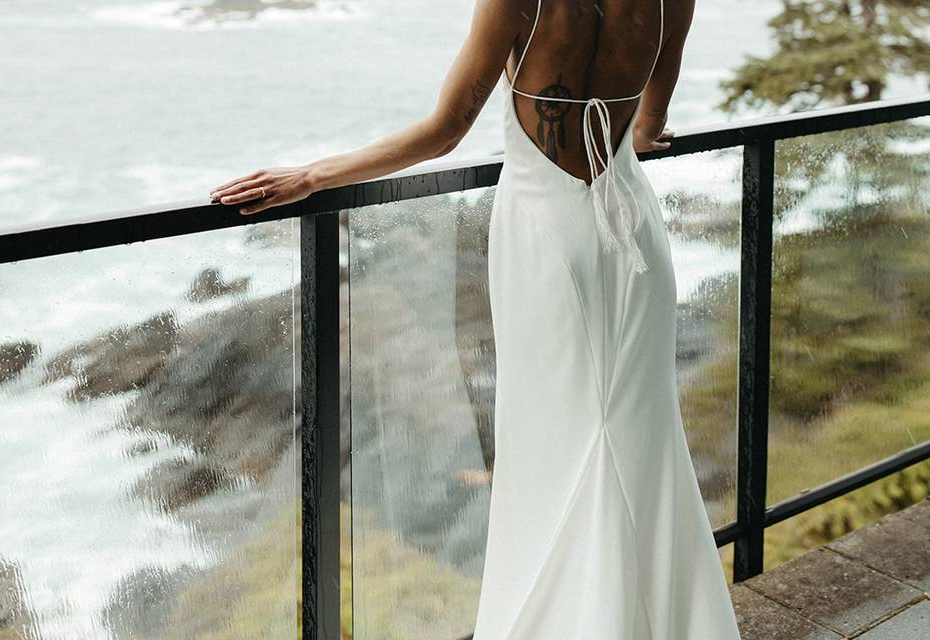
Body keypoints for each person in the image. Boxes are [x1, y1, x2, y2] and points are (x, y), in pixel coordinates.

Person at [210, 1, 742, 638]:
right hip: (632, 229)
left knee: (556, 436)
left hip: (549, 236)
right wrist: (636, 126)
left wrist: (312, 175)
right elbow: (652, 119)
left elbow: (444, 130)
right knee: (639, 429)